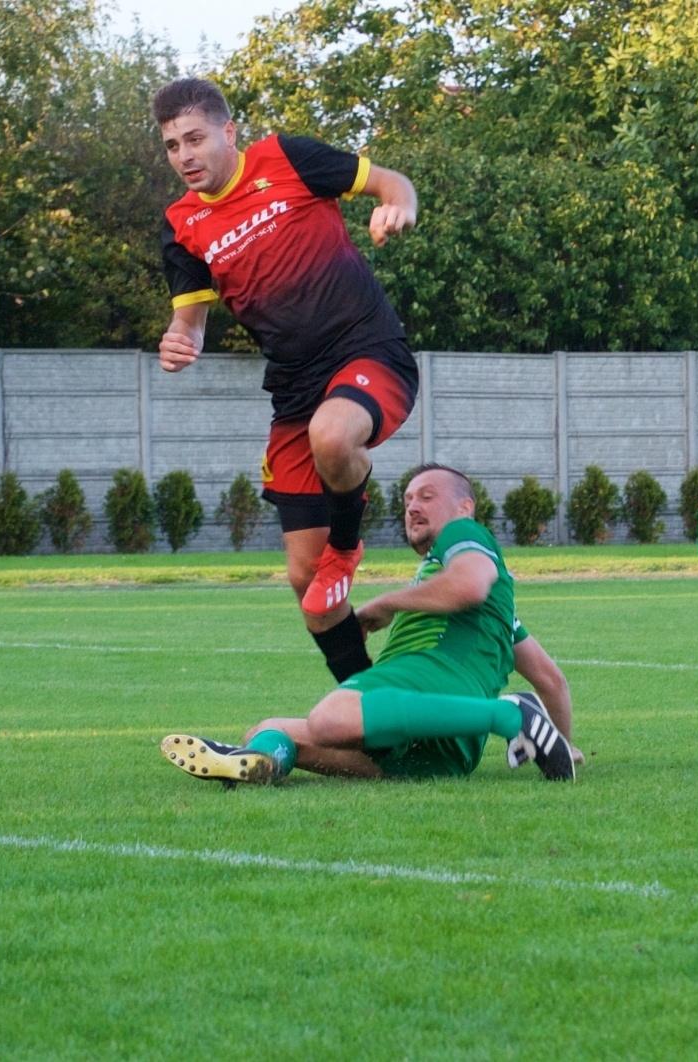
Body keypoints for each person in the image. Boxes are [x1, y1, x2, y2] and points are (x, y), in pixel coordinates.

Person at [153, 78, 419, 684]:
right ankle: (365, 705)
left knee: (334, 437)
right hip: (294, 388)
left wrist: (398, 206)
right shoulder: (182, 225)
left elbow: (390, 181)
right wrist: (180, 342)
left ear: (228, 132)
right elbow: (189, 321)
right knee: (307, 585)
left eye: (194, 139)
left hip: (367, 348)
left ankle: (348, 548)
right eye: (172, 146)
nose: (185, 156)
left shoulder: (287, 158)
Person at [161, 465, 577, 783]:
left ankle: (509, 717)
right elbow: (550, 679)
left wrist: (385, 604)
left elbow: (468, 585)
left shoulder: (464, 534)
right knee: (269, 729)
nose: (412, 506)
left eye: (427, 497)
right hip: (439, 753)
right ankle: (260, 765)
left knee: (330, 717)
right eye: (408, 499)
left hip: (437, 685)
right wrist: (562, 744)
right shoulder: (493, 616)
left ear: (464, 507)